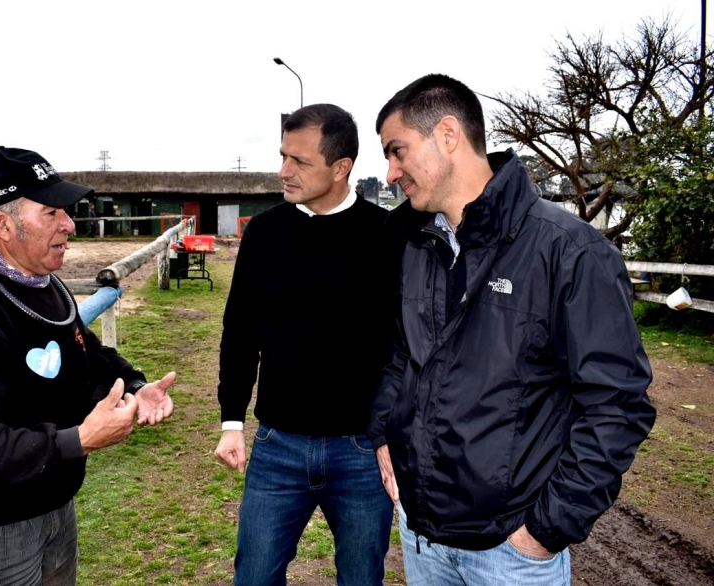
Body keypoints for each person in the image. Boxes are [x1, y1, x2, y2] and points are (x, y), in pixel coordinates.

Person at [368, 73, 656, 585]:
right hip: (420, 536)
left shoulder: (569, 251)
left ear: (449, 135)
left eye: (397, 150)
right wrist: (384, 433)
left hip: (511, 555)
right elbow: (400, 354)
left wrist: (545, 530)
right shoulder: (413, 243)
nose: (390, 172)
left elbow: (618, 404)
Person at [0, 146, 176, 586]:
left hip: (53, 505)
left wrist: (133, 385)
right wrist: (78, 441)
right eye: (50, 212)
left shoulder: (41, 283)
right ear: (4, 225)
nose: (69, 224)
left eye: (65, 211)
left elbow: (84, 353)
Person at [215, 104, 400, 585]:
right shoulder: (266, 233)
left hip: (361, 452)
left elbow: (407, 346)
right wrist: (231, 421)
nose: (283, 171)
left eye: (299, 161)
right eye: (283, 156)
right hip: (278, 446)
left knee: (362, 578)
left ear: (341, 169)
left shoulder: (387, 237)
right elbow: (240, 331)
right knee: (253, 577)